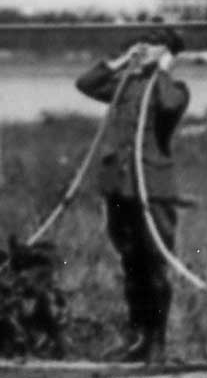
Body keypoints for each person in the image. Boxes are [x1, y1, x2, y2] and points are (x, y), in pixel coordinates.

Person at [76, 29, 189, 363]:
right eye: (142, 43)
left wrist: (164, 68)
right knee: (132, 265)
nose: (144, 50)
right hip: (120, 188)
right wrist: (120, 62)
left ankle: (157, 343)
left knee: (155, 268)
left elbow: (169, 106)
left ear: (167, 52)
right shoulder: (125, 85)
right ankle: (138, 338)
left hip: (152, 191)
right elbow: (86, 84)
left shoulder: (174, 89)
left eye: (152, 45)